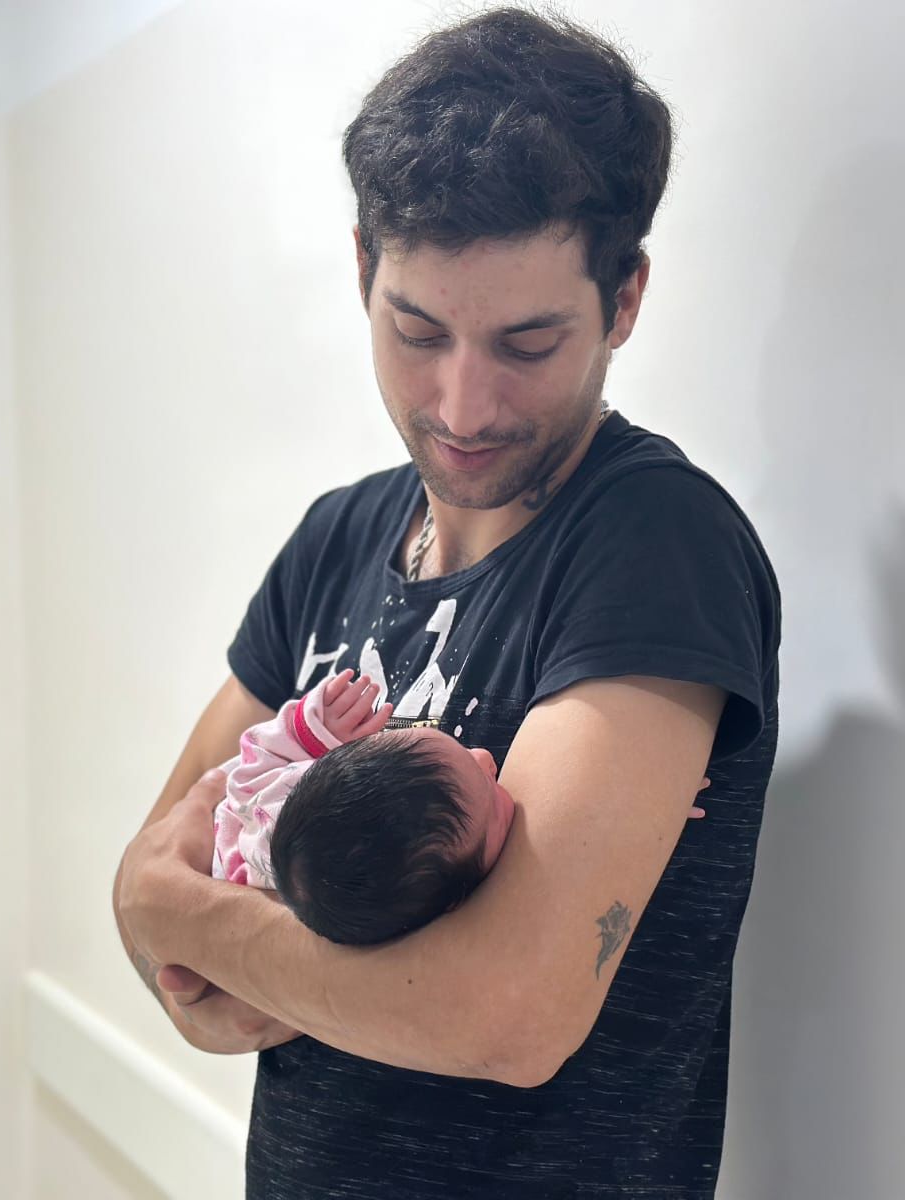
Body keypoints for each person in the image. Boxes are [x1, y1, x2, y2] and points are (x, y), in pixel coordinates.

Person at [113, 8, 782, 1197]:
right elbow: (140, 891)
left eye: (528, 343)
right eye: (417, 330)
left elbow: (507, 1015)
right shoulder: (336, 538)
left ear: (624, 299)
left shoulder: (652, 544)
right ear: (362, 270)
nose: (463, 407)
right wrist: (200, 932)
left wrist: (209, 927)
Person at [216, 667, 712, 946]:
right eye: (493, 799)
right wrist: (631, 814)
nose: (486, 758)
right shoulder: (401, 908)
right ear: (451, 907)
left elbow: (248, 770)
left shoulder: (285, 799)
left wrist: (310, 732)